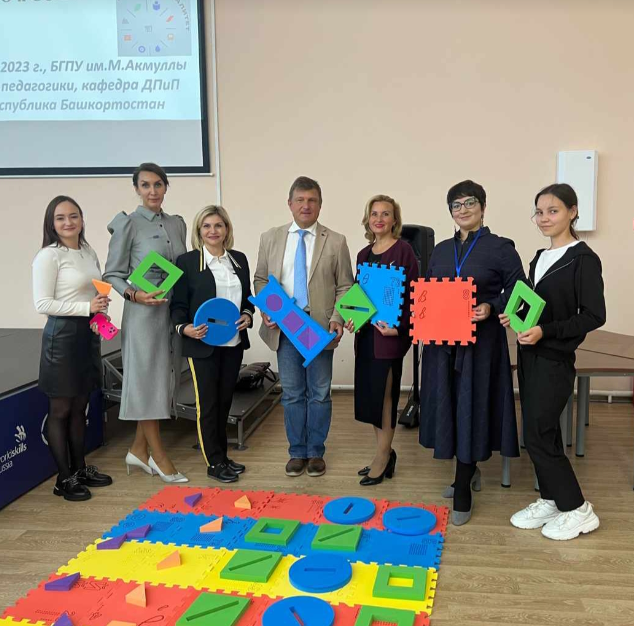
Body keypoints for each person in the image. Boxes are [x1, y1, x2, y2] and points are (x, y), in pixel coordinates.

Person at [501, 183, 606, 540]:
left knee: (538, 435)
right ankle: (551, 499)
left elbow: (593, 315)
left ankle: (577, 508)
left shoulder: (583, 259)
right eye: (539, 212)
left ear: (572, 212)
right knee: (541, 432)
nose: (544, 218)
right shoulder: (539, 257)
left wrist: (545, 331)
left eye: (553, 211)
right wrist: (515, 316)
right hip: (529, 354)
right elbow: (535, 303)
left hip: (555, 358)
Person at [419, 180, 525, 525]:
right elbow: (426, 292)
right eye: (456, 205)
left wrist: (492, 306)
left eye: (470, 203)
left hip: (481, 345)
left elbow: (520, 291)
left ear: (483, 207)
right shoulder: (439, 251)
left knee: (472, 406)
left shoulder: (501, 248)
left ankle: (463, 485)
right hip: (441, 345)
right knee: (450, 406)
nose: (463, 209)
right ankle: (467, 470)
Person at [254, 176, 354, 477]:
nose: (306, 205)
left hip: (318, 328)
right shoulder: (270, 237)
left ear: (320, 205)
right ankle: (297, 451)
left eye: (312, 200)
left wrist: (337, 318)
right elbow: (261, 279)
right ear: (290, 204)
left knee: (319, 393)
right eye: (300, 200)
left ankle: (316, 451)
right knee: (292, 393)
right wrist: (266, 309)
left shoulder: (336, 241)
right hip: (285, 326)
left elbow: (345, 286)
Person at [103, 162, 188, 483]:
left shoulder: (177, 224)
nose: (153, 191)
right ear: (137, 189)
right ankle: (159, 456)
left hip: (171, 315)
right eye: (145, 185)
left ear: (166, 187)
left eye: (158, 184)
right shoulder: (128, 224)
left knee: (161, 383)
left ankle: (138, 451)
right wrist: (135, 295)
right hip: (142, 317)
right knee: (146, 384)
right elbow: (112, 273)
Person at [32, 196, 113, 501]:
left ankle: (80, 469)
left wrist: (100, 313)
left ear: (81, 219)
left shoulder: (88, 251)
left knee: (80, 406)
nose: (68, 222)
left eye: (73, 216)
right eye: (61, 218)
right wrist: (85, 308)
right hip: (62, 336)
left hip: (87, 334)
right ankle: (63, 479)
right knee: (61, 410)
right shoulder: (48, 256)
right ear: (51, 224)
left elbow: (95, 292)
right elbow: (42, 303)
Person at [171, 206, 255, 483]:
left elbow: (247, 299)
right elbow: (178, 305)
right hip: (202, 344)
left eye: (218, 225)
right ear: (199, 231)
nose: (213, 231)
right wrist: (185, 328)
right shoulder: (187, 262)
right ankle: (214, 462)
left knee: (224, 401)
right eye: (206, 226)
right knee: (207, 404)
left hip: (233, 343)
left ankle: (223, 456)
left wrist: (247, 315)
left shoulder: (239, 260)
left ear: (226, 229)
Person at [344, 195, 418, 485]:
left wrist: (399, 328)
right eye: (374, 214)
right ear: (368, 219)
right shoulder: (363, 254)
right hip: (366, 337)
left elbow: (414, 296)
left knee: (386, 398)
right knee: (373, 399)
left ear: (394, 220)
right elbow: (359, 295)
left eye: (385, 214)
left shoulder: (404, 251)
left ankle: (383, 456)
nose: (379, 219)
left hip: (389, 338)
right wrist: (351, 317)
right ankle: (383, 451)